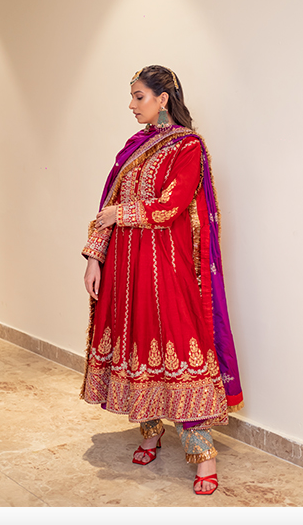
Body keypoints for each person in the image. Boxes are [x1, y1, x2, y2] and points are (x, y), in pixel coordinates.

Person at [80, 66, 243, 496]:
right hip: (124, 266)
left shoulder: (188, 146)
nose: (131, 105)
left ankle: (201, 450)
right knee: (137, 343)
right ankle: (149, 429)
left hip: (164, 267)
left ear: (163, 98)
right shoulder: (134, 147)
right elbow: (107, 204)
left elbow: (172, 204)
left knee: (174, 343)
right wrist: (95, 256)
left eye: (138, 97)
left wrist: (124, 215)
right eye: (132, 97)